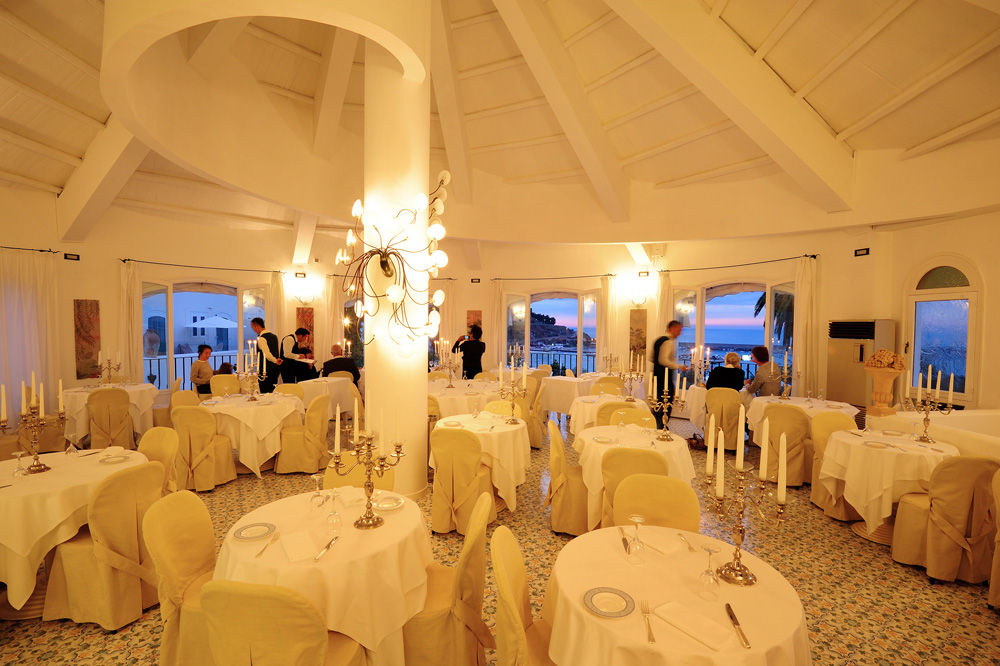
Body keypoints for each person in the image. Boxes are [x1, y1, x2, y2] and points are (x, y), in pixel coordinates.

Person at [650, 320, 689, 430]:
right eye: (679, 330)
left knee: (658, 400)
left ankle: (657, 424)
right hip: (664, 377)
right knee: (666, 401)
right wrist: (678, 366)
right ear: (672, 328)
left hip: (657, 375)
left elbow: (652, 358)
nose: (680, 333)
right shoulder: (667, 342)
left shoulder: (658, 340)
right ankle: (662, 425)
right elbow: (663, 360)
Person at [250, 317, 281, 393]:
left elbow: (266, 354)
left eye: (253, 328)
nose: (253, 330)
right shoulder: (274, 336)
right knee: (273, 391)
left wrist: (275, 360)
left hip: (266, 369)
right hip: (275, 369)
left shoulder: (262, 339)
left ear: (257, 327)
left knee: (264, 392)